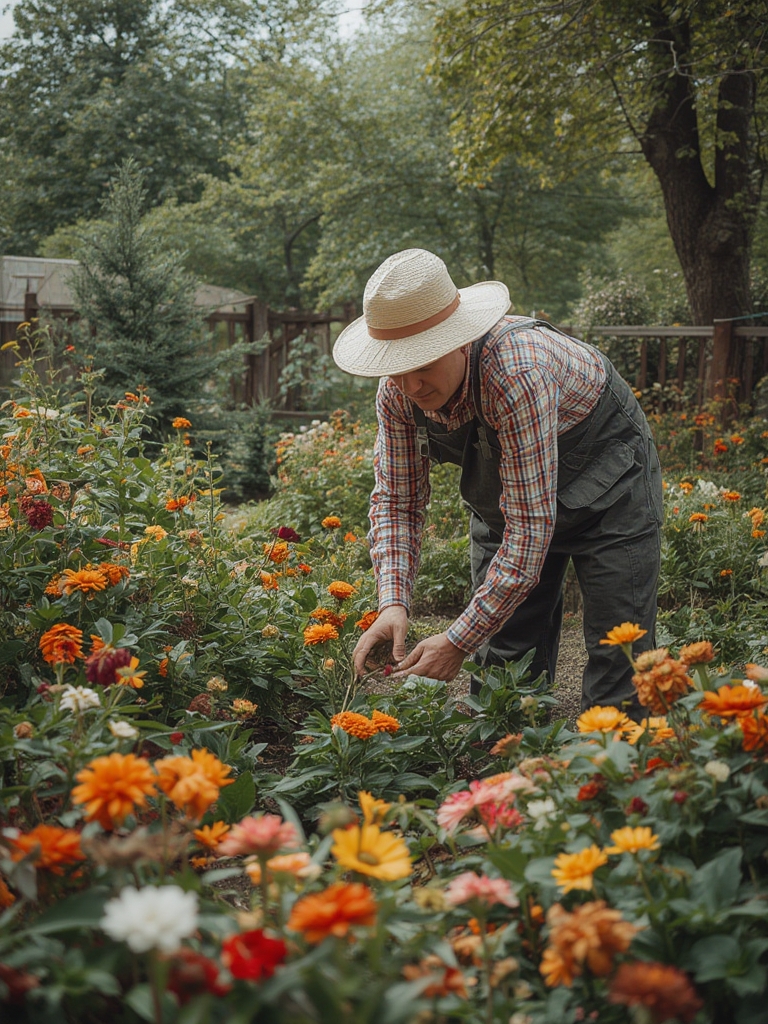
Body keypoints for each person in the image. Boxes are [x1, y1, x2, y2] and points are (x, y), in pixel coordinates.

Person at [333, 248, 663, 715]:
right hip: (511, 506)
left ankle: (615, 781)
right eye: (396, 368)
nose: (411, 385)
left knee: (620, 660)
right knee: (503, 673)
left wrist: (457, 639)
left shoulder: (517, 373)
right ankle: (510, 782)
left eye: (423, 365)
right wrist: (393, 602)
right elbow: (397, 501)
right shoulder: (397, 396)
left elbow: (530, 532)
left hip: (610, 487)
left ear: (460, 341)